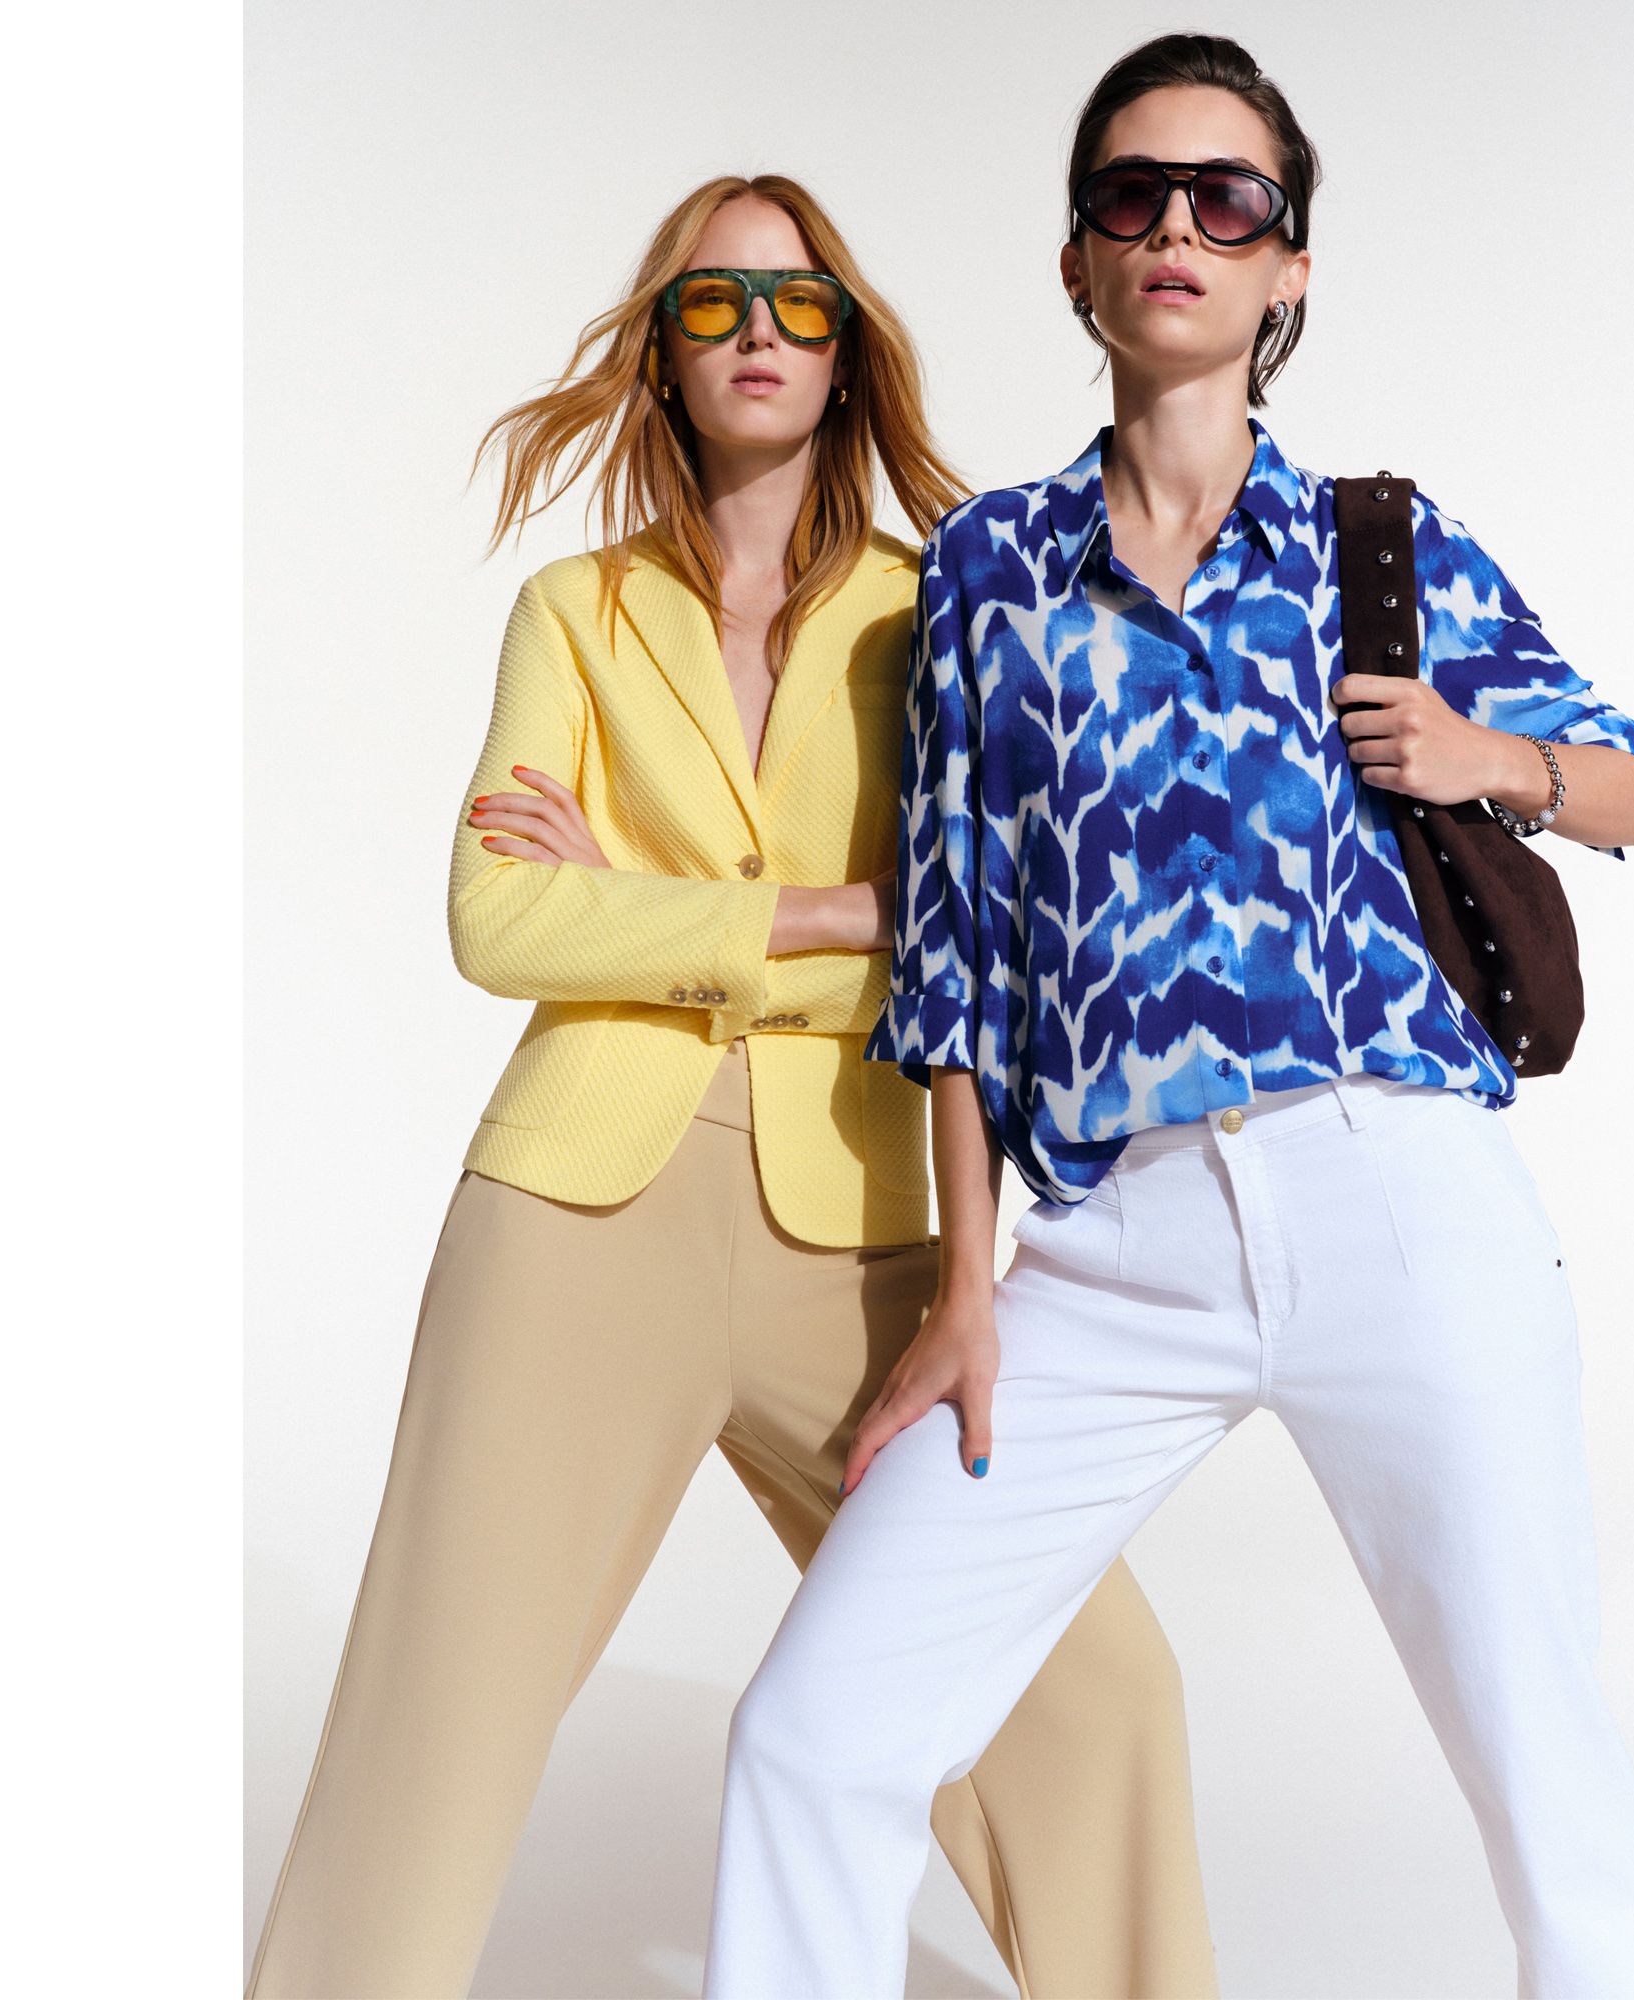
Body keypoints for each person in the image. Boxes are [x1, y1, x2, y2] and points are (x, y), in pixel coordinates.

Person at [704, 37, 1634, 2000]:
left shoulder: (1374, 545)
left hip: (1394, 1191)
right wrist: (968, 1286)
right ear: (1079, 260)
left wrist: (1484, 754)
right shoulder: (990, 568)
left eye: (1226, 200)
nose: (1177, 226)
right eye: (1129, 195)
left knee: (1546, 1775)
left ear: (1285, 269)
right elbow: (956, 954)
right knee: (815, 1735)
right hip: (1110, 1242)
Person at [244, 171, 1217, 2000]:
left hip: (867, 1231)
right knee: (424, 1721)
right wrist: (836, 909)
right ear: (664, 357)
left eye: (796, 304)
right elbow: (498, 918)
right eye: (712, 305)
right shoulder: (577, 612)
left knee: (1093, 1684)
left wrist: (642, 905)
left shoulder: (944, 608)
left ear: (846, 353)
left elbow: (1000, 921)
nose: (757, 334)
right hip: (571, 1219)